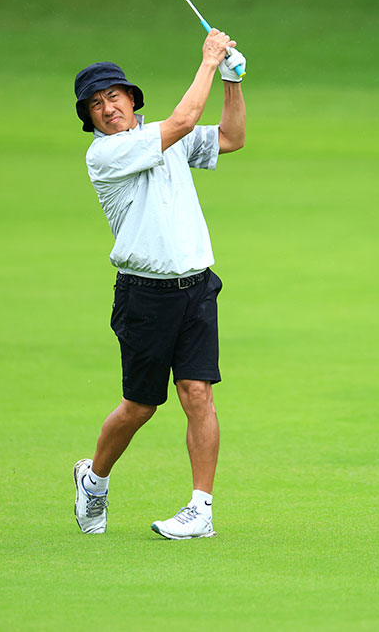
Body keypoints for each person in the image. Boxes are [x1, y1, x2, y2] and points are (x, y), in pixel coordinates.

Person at [71, 29, 247, 539]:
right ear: (89, 119)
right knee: (140, 406)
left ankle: (201, 509)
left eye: (114, 97)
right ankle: (94, 479)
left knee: (199, 394)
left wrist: (232, 80)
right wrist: (209, 61)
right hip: (144, 295)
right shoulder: (107, 155)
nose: (107, 109)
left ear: (132, 99)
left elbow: (231, 137)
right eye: (96, 105)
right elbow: (185, 120)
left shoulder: (164, 137)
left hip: (197, 287)